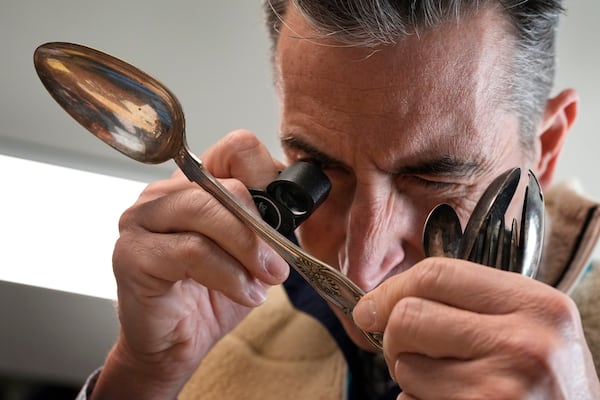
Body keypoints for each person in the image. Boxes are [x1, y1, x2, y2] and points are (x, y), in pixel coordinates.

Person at [77, 0, 600, 398]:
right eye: (320, 171)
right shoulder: (216, 321)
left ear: (547, 148)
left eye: (435, 180)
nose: (363, 268)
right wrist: (146, 373)